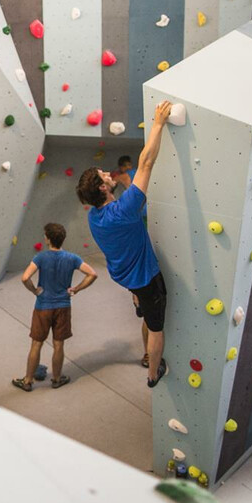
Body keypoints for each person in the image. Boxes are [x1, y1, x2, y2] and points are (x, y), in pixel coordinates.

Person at [76, 100, 173, 387]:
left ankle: (137, 304)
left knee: (140, 301)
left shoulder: (95, 216)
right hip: (145, 279)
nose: (109, 173)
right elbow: (146, 162)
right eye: (104, 175)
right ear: (103, 188)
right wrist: (158, 123)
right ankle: (154, 373)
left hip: (125, 277)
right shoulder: (124, 210)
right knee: (156, 328)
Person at [12, 223, 97, 392]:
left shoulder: (41, 258)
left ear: (48, 239)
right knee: (59, 344)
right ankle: (57, 379)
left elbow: (25, 278)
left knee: (36, 344)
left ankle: (28, 381)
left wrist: (35, 290)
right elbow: (92, 274)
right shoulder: (72, 258)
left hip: (43, 306)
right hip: (63, 307)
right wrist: (76, 289)